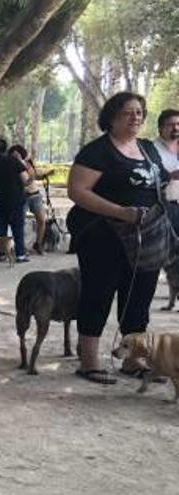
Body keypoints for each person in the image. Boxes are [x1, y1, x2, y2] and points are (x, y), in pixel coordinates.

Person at [67, 92, 167, 384]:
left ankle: (134, 360)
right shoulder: (97, 151)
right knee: (98, 294)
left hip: (145, 236)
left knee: (139, 296)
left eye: (139, 112)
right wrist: (120, 212)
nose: (135, 118)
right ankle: (89, 362)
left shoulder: (148, 148)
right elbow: (78, 191)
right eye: (128, 113)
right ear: (112, 117)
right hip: (102, 236)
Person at [0, 138, 30, 262]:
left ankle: (1, 254)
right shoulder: (14, 161)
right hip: (16, 200)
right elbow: (26, 180)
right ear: (6, 148)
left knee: (1, 227)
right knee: (18, 227)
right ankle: (20, 255)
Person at [10, 144, 54, 255]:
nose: (17, 155)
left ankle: (38, 244)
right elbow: (27, 180)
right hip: (21, 195)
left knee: (42, 220)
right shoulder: (12, 164)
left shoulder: (28, 163)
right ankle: (21, 247)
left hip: (35, 194)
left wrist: (45, 174)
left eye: (18, 153)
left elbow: (34, 176)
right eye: (14, 154)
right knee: (20, 222)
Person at [152, 109, 179, 230]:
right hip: (165, 208)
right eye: (171, 125)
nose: (176, 128)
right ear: (160, 128)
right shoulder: (151, 150)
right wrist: (170, 175)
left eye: (178, 124)